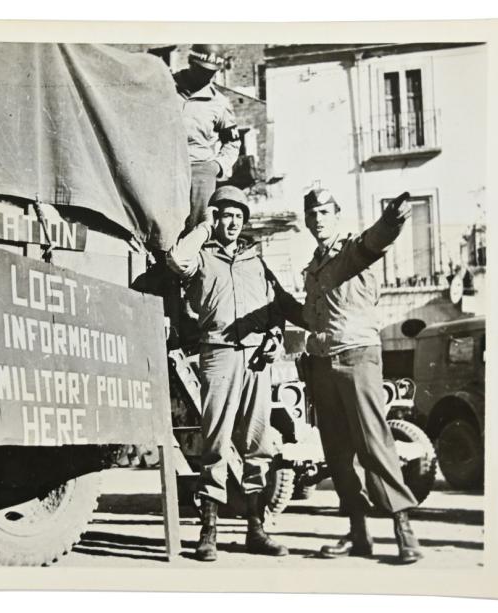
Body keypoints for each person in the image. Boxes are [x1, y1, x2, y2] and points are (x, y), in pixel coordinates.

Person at [166, 185, 304, 562]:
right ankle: (208, 530)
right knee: (215, 442)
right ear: (216, 217)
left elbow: (277, 309)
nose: (233, 223)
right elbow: (176, 261)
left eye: (238, 217)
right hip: (219, 355)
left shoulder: (256, 262)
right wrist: (203, 228)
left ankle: (256, 529)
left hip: (258, 360)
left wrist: (275, 337)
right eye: (226, 215)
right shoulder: (202, 257)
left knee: (258, 444)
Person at [301, 186, 424, 564]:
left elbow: (377, 240)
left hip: (357, 358)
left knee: (374, 444)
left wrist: (394, 217)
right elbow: (309, 317)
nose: (318, 219)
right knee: (337, 454)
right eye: (312, 214)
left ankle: (404, 531)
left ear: (336, 215)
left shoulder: (353, 251)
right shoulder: (314, 267)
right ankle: (358, 533)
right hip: (323, 365)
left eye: (324, 212)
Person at [173, 44, 241, 232]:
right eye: (201, 70)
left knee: (198, 227)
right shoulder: (167, 87)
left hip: (200, 171)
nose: (205, 76)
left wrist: (217, 166)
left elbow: (233, 142)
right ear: (190, 62)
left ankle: (195, 260)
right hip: (166, 167)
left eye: (210, 72)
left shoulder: (219, 103)